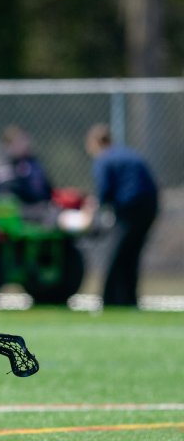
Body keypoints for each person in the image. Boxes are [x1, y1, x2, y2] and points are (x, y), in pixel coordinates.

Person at [84, 123, 158, 307]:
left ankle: (109, 300)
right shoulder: (127, 153)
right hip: (150, 207)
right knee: (131, 254)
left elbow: (104, 190)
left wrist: (91, 213)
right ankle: (129, 299)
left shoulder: (104, 159)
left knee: (114, 254)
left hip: (130, 208)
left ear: (94, 143)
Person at [0, 125, 53, 205]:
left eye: (26, 140)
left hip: (40, 207)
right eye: (20, 141)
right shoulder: (2, 166)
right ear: (9, 145)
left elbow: (47, 189)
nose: (26, 144)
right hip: (19, 211)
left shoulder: (34, 164)